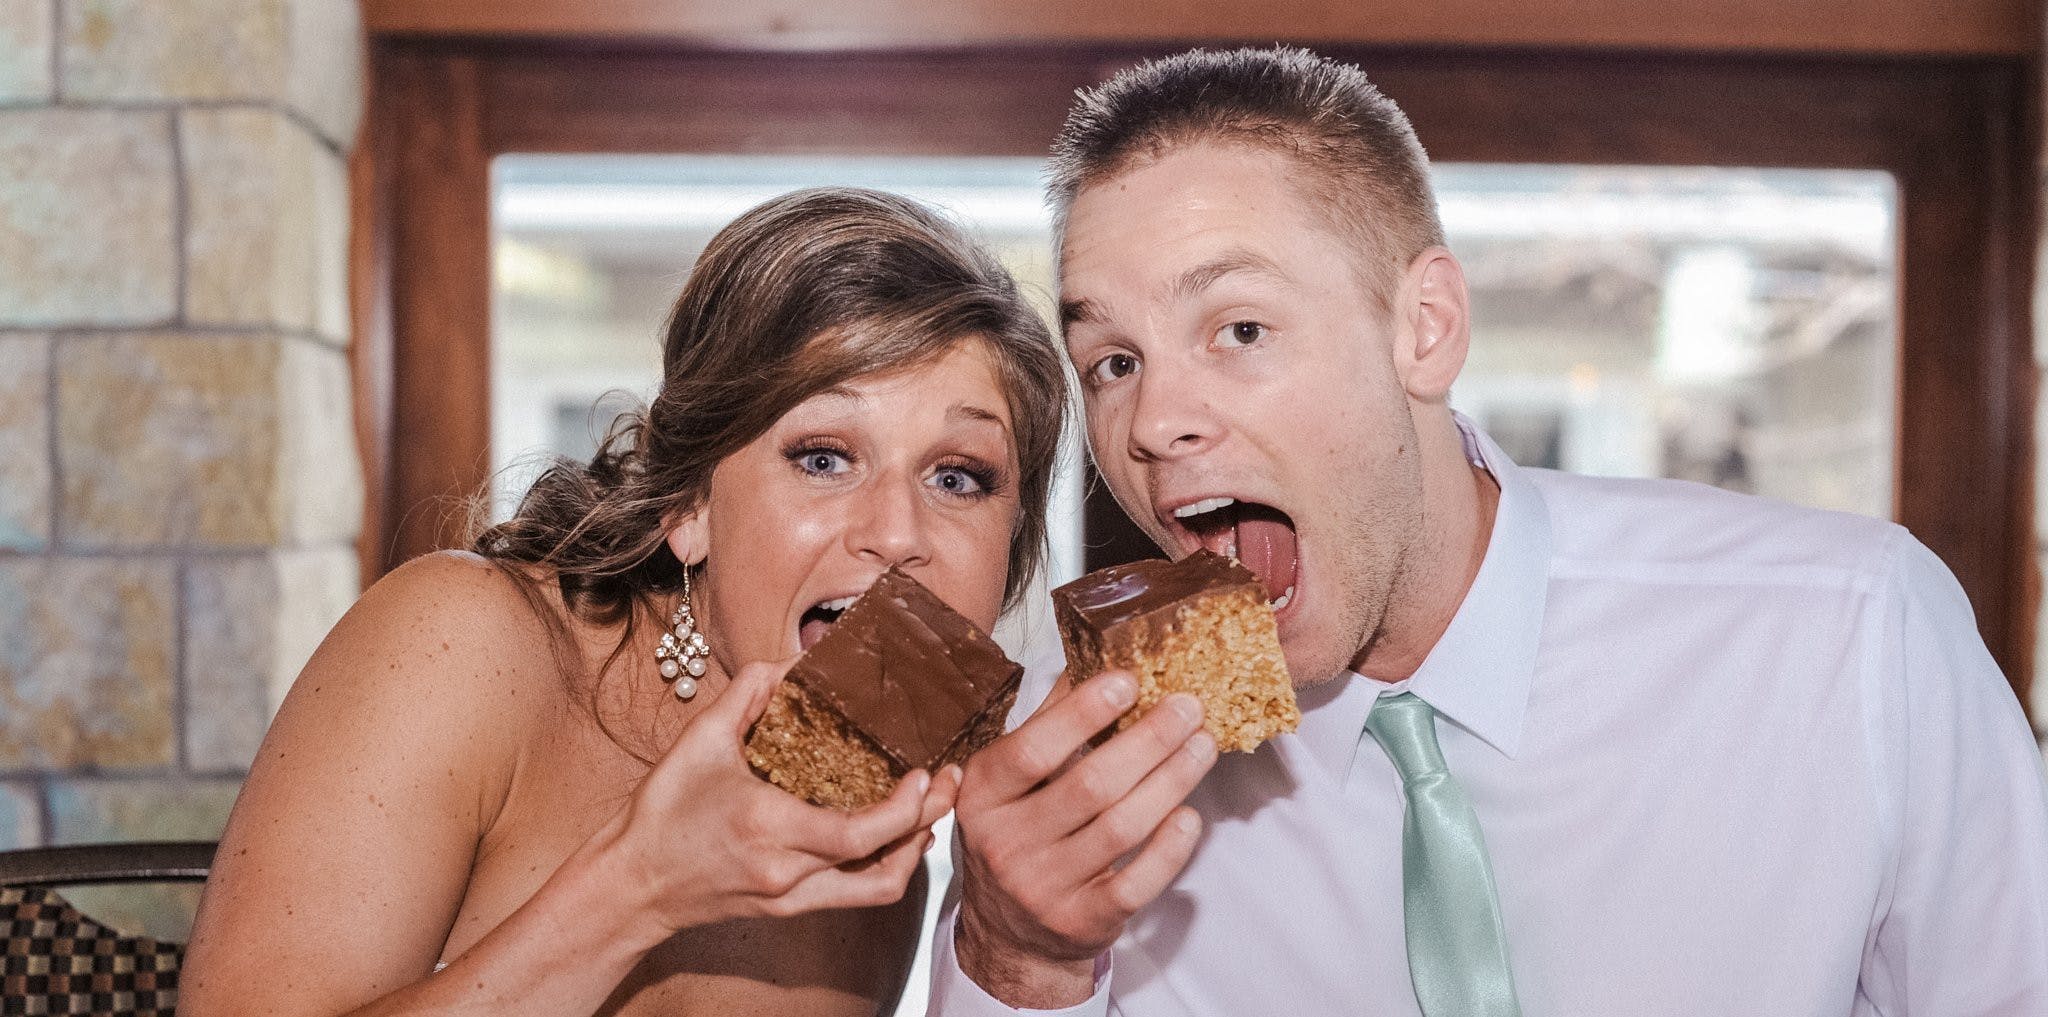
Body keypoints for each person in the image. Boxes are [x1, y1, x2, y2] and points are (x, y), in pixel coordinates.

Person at [933, 46, 2048, 1016]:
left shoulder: (1850, 636)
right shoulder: (1060, 771)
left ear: (1424, 330)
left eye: (1236, 327)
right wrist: (1017, 961)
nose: (1154, 422)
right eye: (1113, 362)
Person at [180, 186, 1069, 1017]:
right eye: (824, 456)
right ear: (688, 504)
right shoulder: (463, 645)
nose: (895, 530)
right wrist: (639, 885)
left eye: (959, 476)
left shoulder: (878, 852)